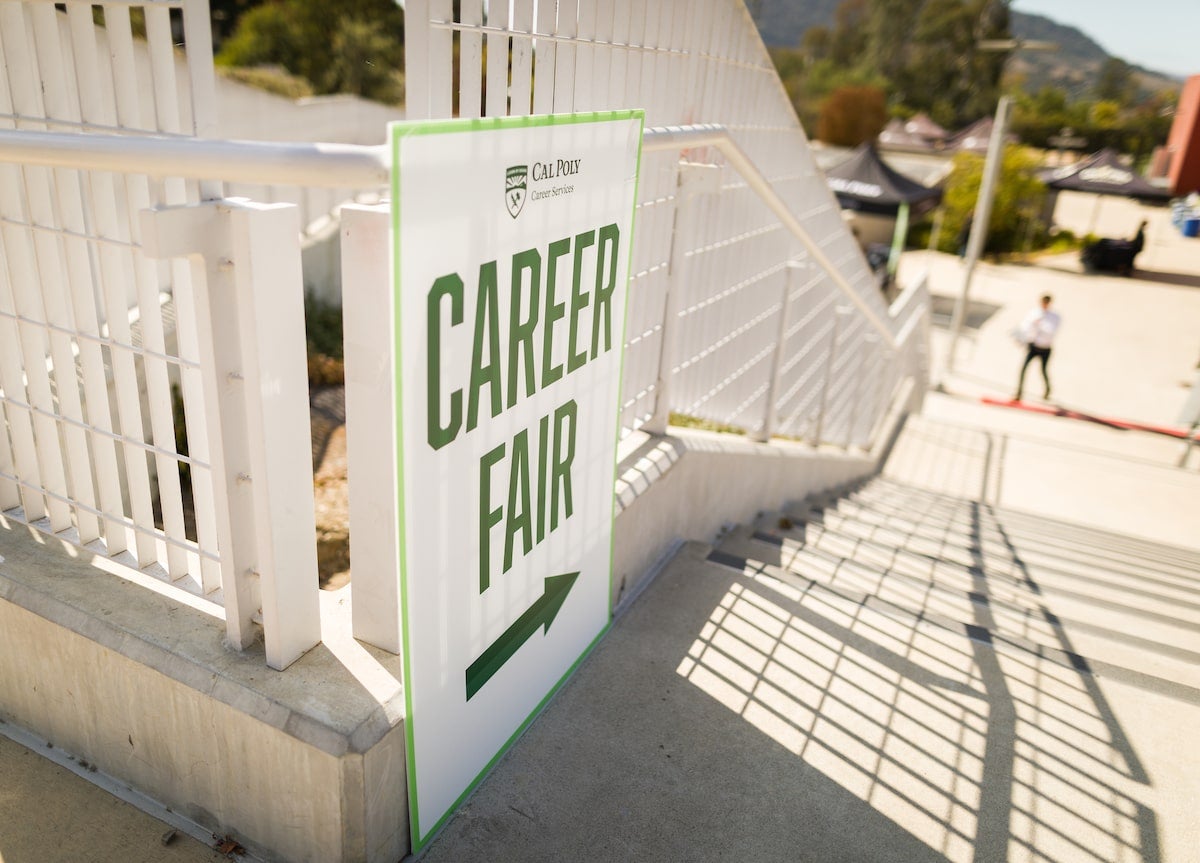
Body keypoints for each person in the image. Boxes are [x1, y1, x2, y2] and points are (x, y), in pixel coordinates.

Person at [1014, 294, 1061, 401]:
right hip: (1033, 346)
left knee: (1043, 371)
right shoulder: (1034, 313)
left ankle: (1047, 389)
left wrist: (1040, 325)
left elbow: (1051, 332)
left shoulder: (1054, 317)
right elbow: (1025, 326)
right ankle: (1019, 392)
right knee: (1024, 369)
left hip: (1045, 348)